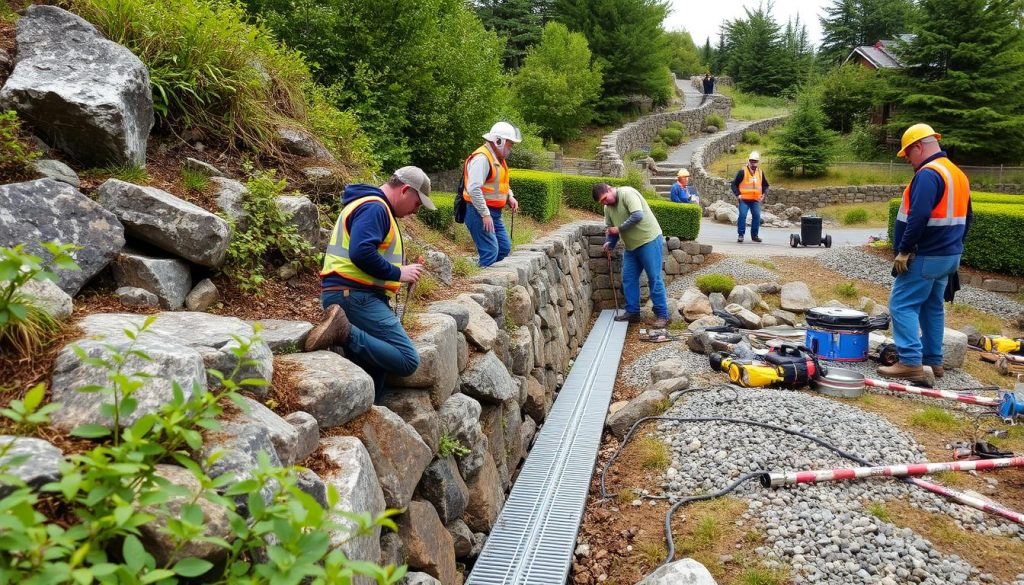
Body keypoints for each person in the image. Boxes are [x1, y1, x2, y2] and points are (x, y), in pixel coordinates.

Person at [305, 166, 436, 401]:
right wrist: (398, 273)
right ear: (405, 190)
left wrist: (401, 273)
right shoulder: (375, 207)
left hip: (354, 293)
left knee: (375, 366)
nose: (415, 211)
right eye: (417, 204)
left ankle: (369, 412)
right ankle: (342, 331)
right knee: (407, 360)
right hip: (354, 295)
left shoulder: (373, 206)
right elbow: (361, 252)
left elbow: (369, 252)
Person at [878, 123, 972, 383]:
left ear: (919, 147)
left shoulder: (929, 174)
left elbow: (918, 216)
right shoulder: (956, 173)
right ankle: (934, 361)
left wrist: (905, 250)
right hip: (948, 256)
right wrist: (955, 246)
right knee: (932, 307)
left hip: (925, 255)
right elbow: (968, 216)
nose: (907, 159)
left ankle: (909, 362)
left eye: (908, 153)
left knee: (902, 304)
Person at [593, 183, 669, 328]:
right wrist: (610, 243)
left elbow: (638, 215)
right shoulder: (607, 208)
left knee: (654, 278)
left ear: (610, 189)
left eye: (605, 198)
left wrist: (619, 229)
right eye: (601, 201)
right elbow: (611, 230)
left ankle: (662, 315)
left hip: (649, 240)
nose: (604, 202)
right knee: (628, 278)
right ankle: (633, 312)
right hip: (631, 247)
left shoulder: (627, 193)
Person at [463, 121, 522, 267]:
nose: (510, 149)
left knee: (504, 248)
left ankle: (487, 274)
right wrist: (485, 214)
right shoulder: (482, 158)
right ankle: (478, 283)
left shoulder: (498, 158)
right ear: (499, 141)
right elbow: (473, 189)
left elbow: (499, 183)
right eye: (510, 144)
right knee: (490, 251)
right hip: (478, 212)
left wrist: (510, 196)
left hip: (494, 213)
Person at [730, 151, 769, 243]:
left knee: (757, 216)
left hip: (755, 200)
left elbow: (765, 185)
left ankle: (754, 236)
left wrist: (763, 194)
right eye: (751, 161)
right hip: (744, 199)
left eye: (755, 161)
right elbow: (734, 184)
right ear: (748, 161)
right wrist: (738, 194)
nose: (753, 163)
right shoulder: (742, 172)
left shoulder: (760, 173)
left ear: (757, 162)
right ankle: (741, 235)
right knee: (742, 216)